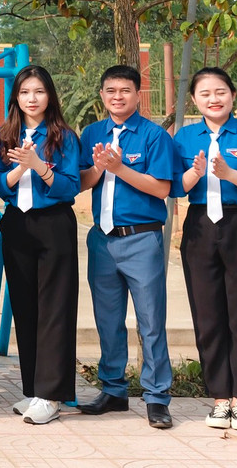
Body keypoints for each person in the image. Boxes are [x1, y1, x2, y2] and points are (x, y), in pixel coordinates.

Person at [77, 65, 183, 429]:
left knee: (151, 321)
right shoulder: (91, 132)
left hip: (141, 238)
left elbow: (162, 189)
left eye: (125, 90)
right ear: (102, 95)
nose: (117, 96)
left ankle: (156, 397)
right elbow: (81, 181)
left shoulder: (154, 136)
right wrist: (97, 168)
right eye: (110, 90)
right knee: (108, 320)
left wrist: (119, 168)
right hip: (102, 239)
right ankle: (114, 390)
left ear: (139, 95)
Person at [174, 67, 237, 432]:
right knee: (208, 314)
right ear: (195, 100)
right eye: (205, 93)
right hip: (200, 226)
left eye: (220, 91)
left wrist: (230, 173)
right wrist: (196, 174)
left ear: (232, 95)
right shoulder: (185, 137)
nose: (213, 99)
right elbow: (175, 187)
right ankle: (219, 399)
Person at [0, 65, 81, 425]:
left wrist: (39, 165)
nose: (32, 98)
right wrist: (18, 169)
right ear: (16, 97)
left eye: (39, 91)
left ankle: (53, 394)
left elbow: (70, 185)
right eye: (25, 92)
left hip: (53, 223)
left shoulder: (63, 136)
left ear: (50, 96)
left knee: (55, 308)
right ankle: (34, 390)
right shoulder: (2, 134)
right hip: (17, 223)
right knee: (25, 305)